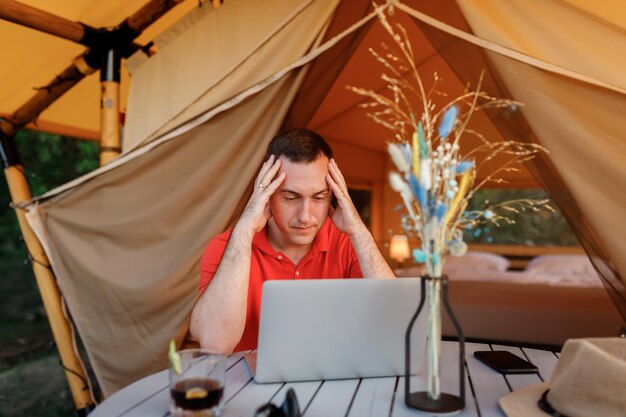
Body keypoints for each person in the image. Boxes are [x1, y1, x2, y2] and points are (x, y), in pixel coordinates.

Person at [190, 129, 394, 354]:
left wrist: (358, 231)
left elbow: (398, 321)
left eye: (319, 197)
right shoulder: (227, 247)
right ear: (266, 196)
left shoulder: (349, 243)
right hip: (248, 387)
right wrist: (245, 230)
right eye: (291, 198)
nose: (306, 216)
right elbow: (215, 342)